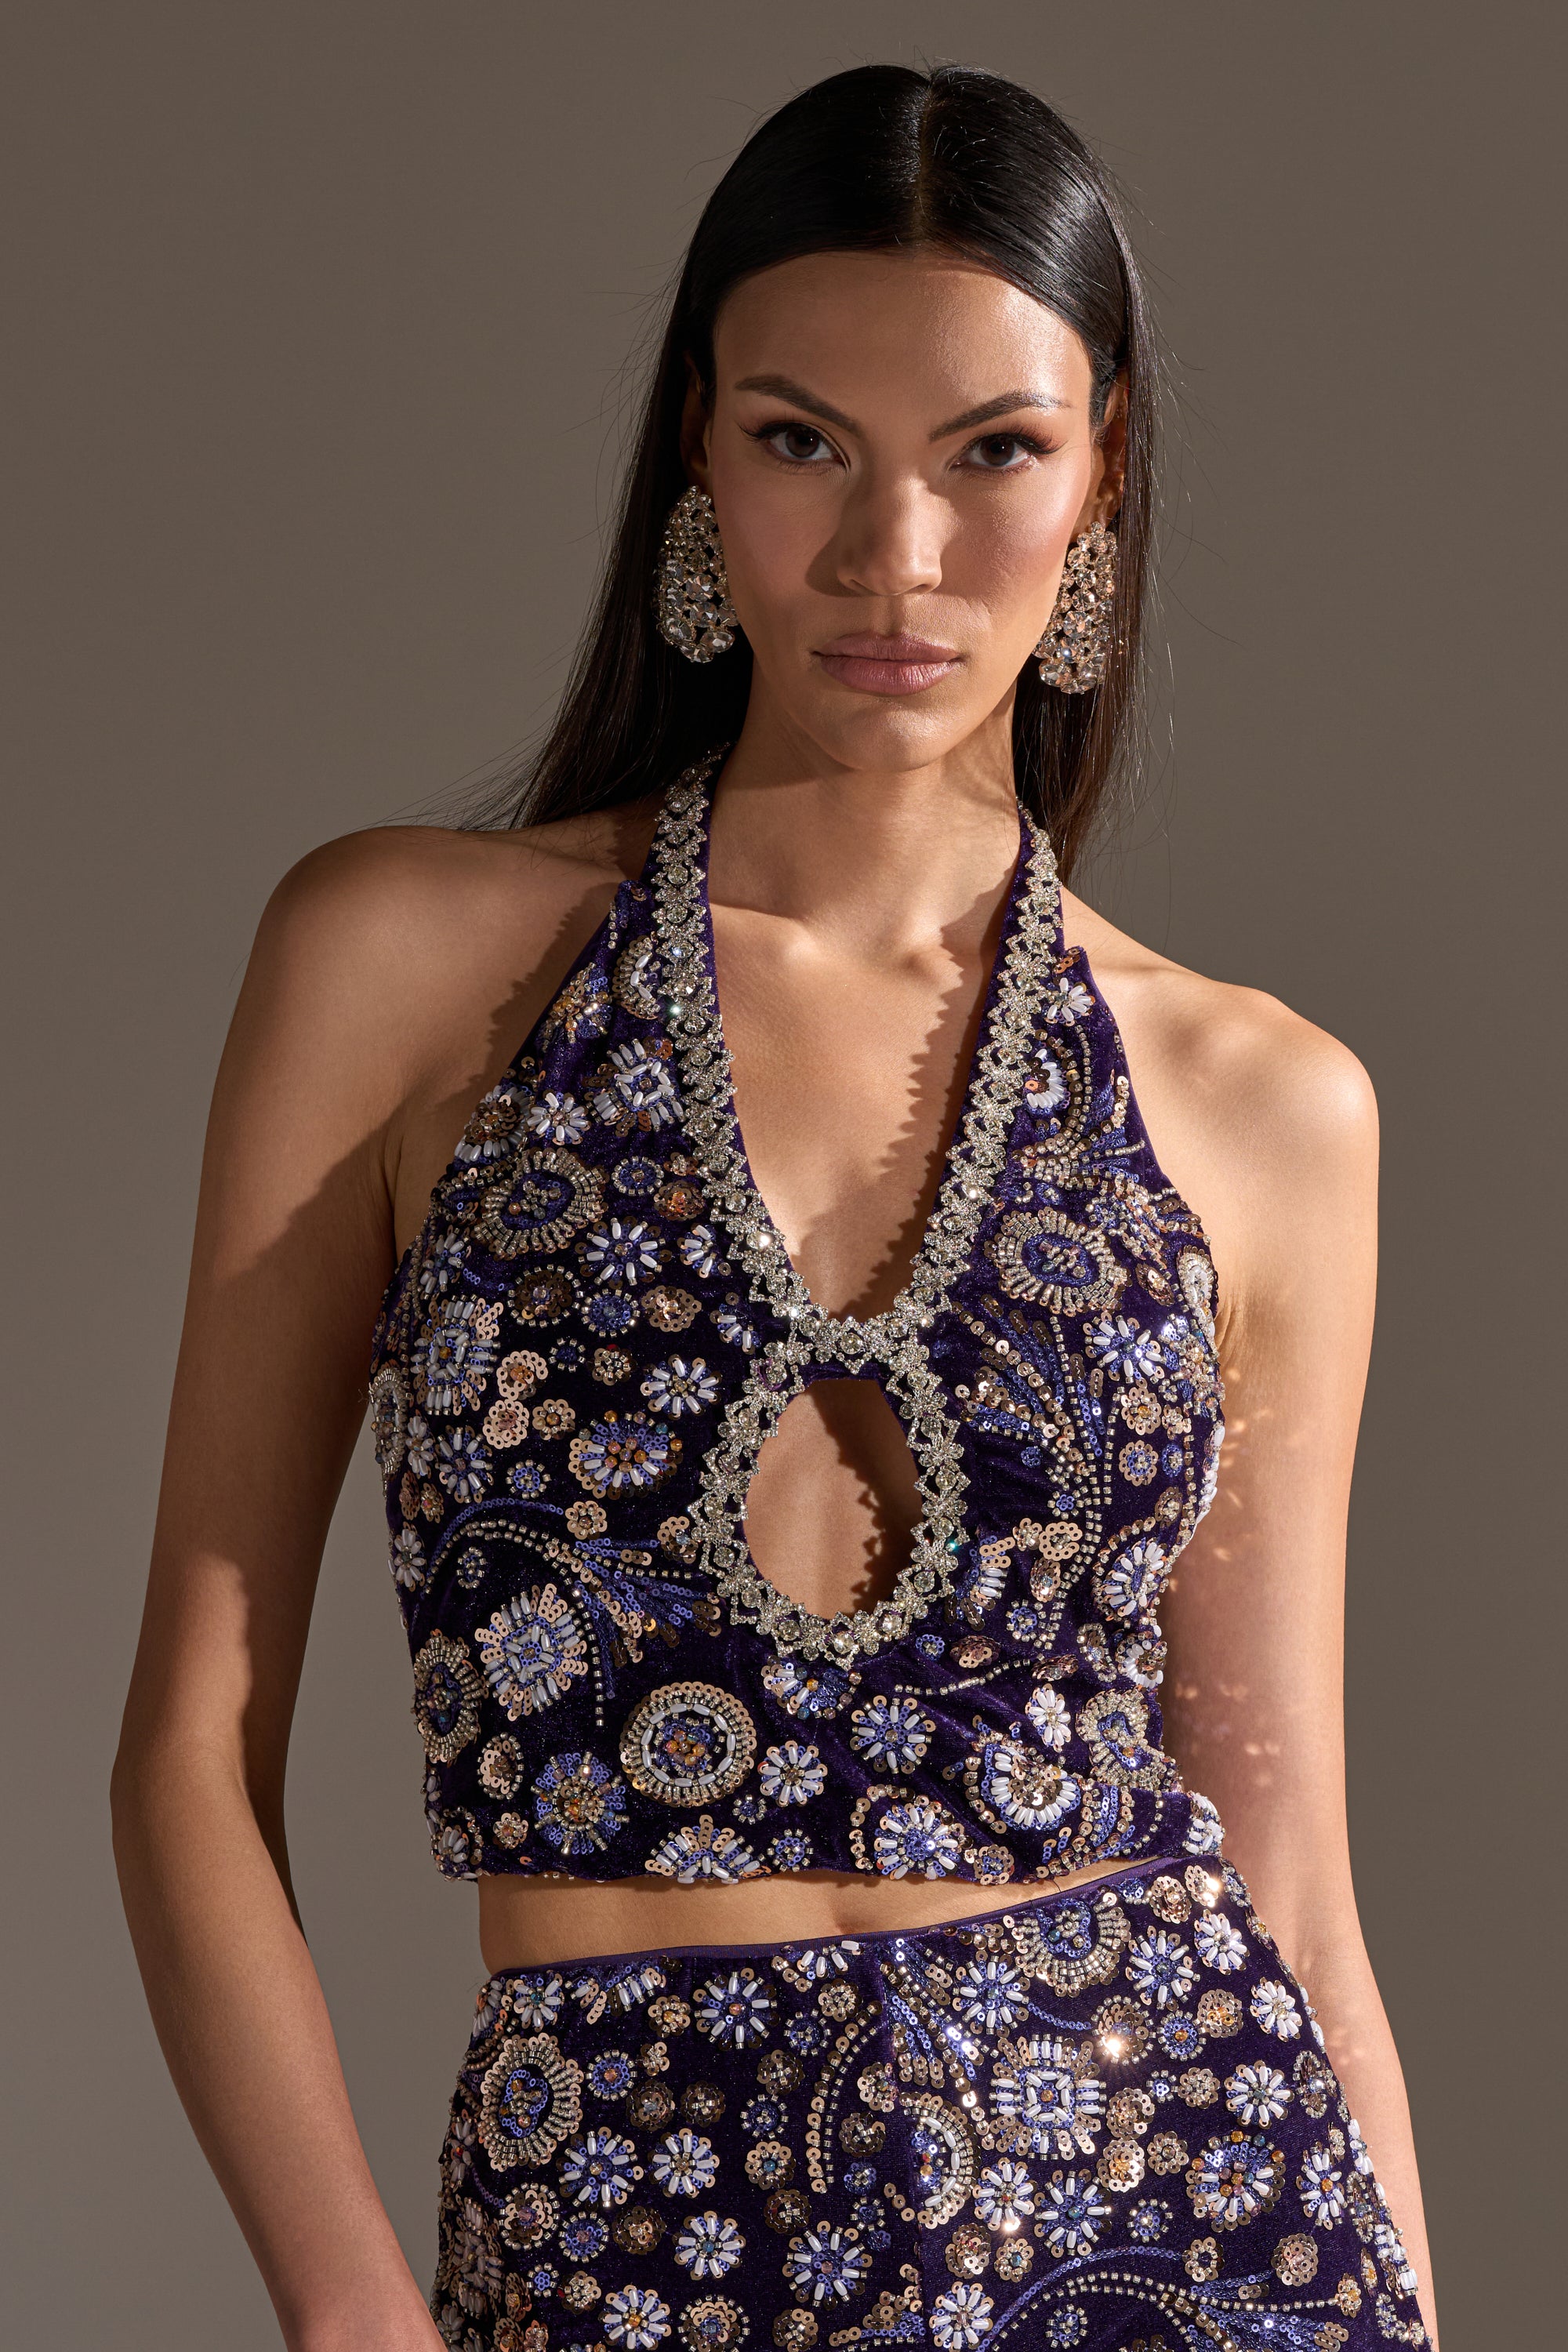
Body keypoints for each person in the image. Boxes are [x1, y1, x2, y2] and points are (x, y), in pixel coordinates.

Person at [111, 60, 1439, 2352]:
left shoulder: (1263, 1105)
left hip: (1187, 2213)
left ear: (1103, 469)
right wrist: (352, 2314)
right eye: (805, 441)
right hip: (621, 2229)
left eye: (992, 454)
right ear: (697, 464)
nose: (891, 559)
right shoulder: (411, 967)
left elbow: (1295, 1862)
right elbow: (190, 1755)